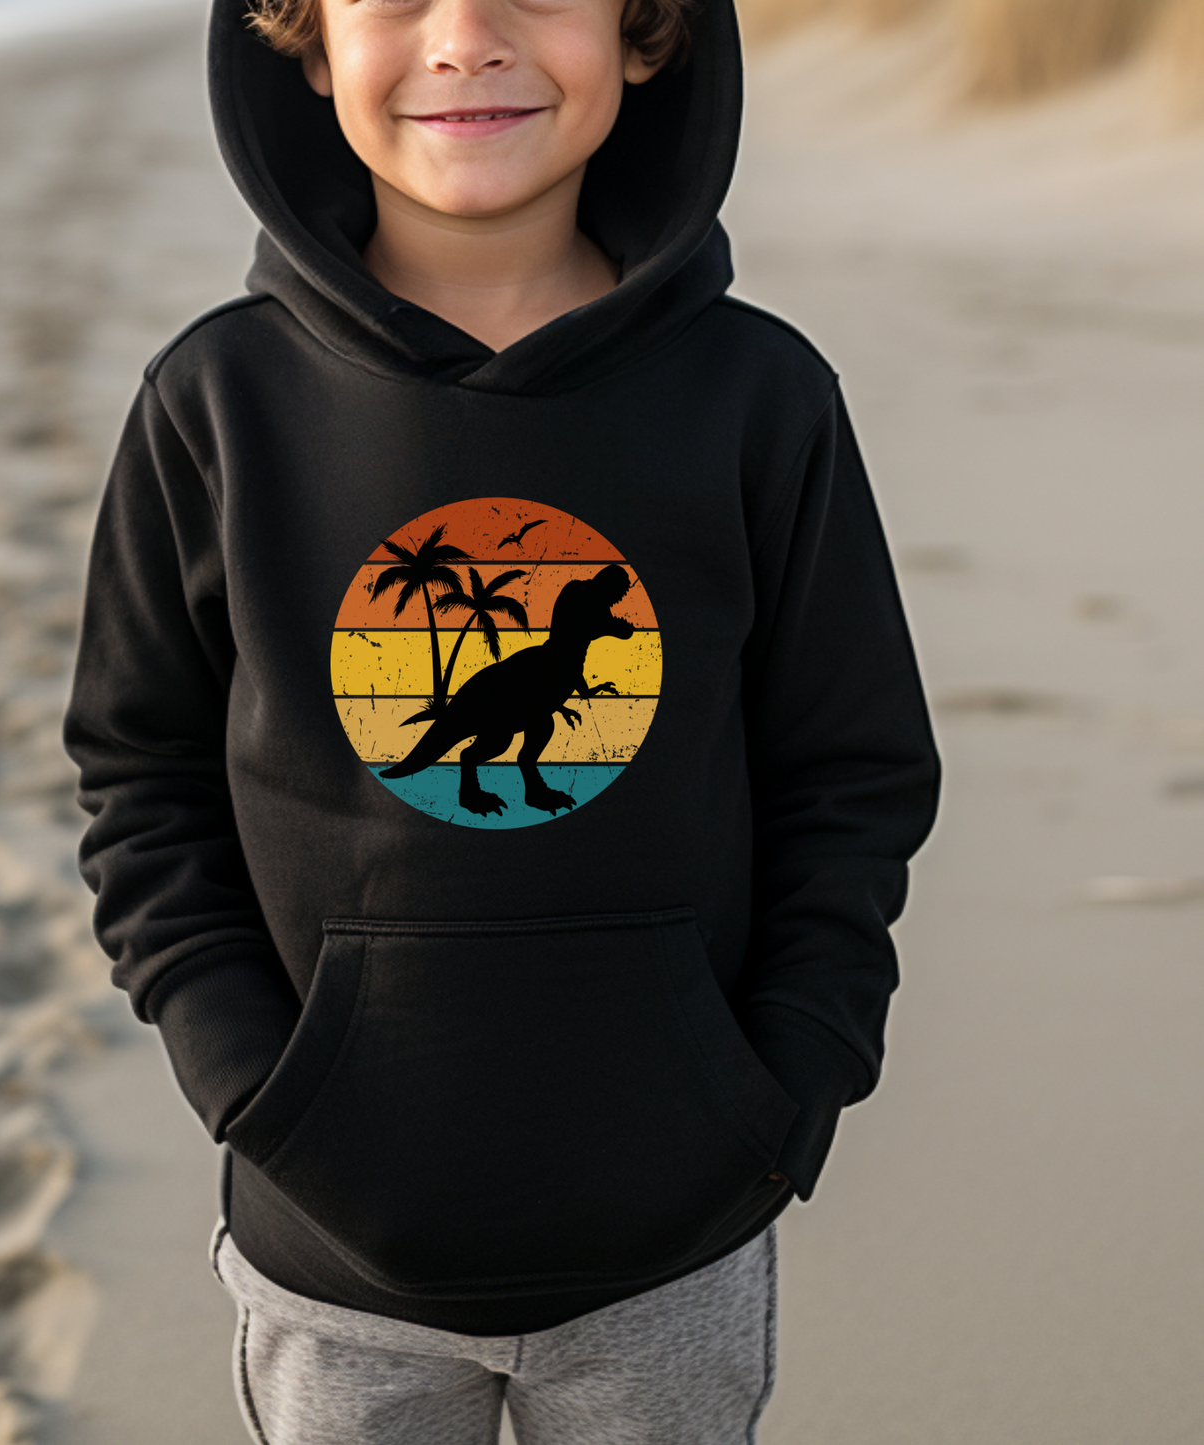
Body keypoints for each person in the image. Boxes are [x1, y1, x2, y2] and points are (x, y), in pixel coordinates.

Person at [61, 0, 941, 1436]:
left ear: (650, 31)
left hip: (677, 1246)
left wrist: (787, 1085)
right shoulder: (216, 402)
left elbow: (852, 766)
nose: (465, 37)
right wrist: (247, 1084)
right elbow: (138, 773)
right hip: (330, 1248)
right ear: (301, 36)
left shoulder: (759, 395)